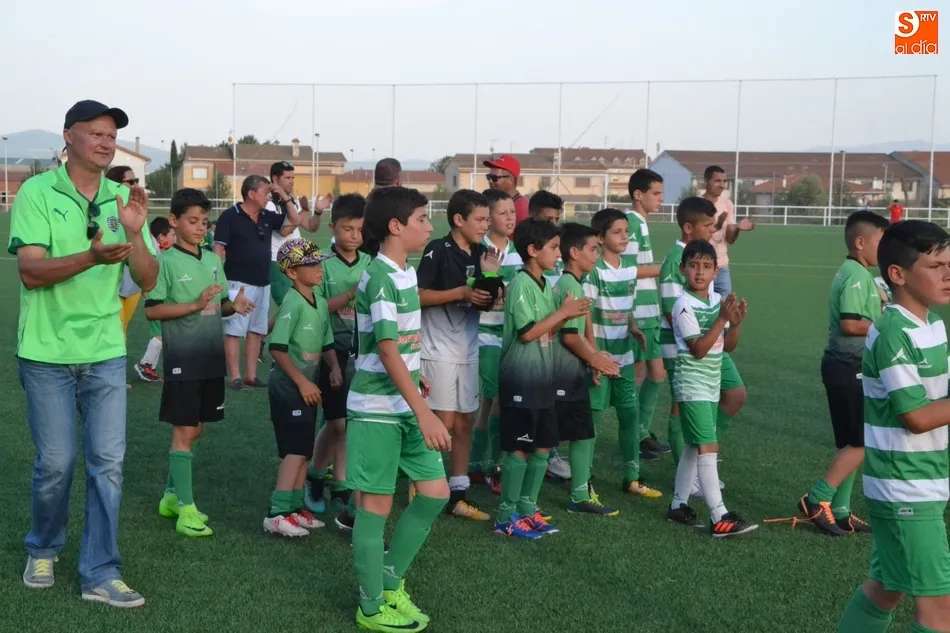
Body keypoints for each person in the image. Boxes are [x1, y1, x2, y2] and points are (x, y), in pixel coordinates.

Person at [12, 99, 157, 607]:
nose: (106, 142)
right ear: (68, 136)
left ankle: (100, 571)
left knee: (108, 464)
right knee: (56, 463)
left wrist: (135, 233)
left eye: (111, 135)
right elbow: (31, 272)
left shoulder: (122, 197)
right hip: (46, 352)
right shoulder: (37, 192)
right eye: (95, 132)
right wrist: (92, 257)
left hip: (104, 350)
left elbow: (147, 278)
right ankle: (43, 547)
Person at [835, 220, 950, 633]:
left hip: (922, 479)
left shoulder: (932, 324)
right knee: (940, 611)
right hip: (905, 487)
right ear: (898, 274)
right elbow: (916, 416)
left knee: (885, 589)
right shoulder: (891, 332)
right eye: (936, 266)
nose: (948, 274)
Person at [345, 186, 450, 632]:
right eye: (422, 219)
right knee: (376, 506)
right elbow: (386, 351)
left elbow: (400, 345)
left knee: (436, 493)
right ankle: (370, 607)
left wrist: (416, 373)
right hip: (376, 408)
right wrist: (424, 411)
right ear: (395, 226)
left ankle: (390, 579)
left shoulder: (405, 272)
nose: (429, 226)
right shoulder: (381, 276)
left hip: (404, 401)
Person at [146, 188, 254, 538]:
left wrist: (233, 306)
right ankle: (186, 511)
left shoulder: (211, 260)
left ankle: (170, 497)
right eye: (192, 221)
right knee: (184, 431)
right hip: (183, 359)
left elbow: (217, 306)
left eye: (204, 222)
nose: (199, 228)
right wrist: (194, 305)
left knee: (197, 429)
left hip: (210, 358)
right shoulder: (164, 262)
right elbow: (153, 310)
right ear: (174, 221)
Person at [492, 218, 589, 539]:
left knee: (544, 447)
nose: (559, 254)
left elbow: (547, 330)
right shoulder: (521, 284)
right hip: (521, 380)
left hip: (544, 379)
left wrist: (565, 315)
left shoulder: (546, 284)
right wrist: (563, 313)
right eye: (553, 248)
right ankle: (505, 517)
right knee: (520, 449)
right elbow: (527, 333)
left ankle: (527, 508)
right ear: (533, 250)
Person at [799, 210, 889, 537]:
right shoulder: (856, 276)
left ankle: (840, 511)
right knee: (862, 441)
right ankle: (817, 498)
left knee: (850, 444)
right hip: (848, 366)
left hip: (845, 366)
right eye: (881, 242)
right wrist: (886, 323)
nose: (885, 249)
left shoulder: (857, 273)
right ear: (860, 242)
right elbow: (850, 324)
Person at [417, 189, 500, 521]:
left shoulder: (483, 252)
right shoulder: (438, 250)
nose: (485, 225)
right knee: (443, 424)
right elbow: (418, 295)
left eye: (487, 219)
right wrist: (461, 292)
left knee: (465, 421)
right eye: (479, 219)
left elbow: (488, 300)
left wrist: (491, 279)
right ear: (458, 220)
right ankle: (425, 486)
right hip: (437, 348)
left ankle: (459, 493)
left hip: (468, 348)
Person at [666, 239, 757, 537]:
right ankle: (719, 515)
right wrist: (721, 319)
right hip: (691, 384)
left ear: (716, 271)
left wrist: (736, 324)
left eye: (706, 266)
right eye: (693, 266)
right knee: (707, 445)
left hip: (710, 382)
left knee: (695, 446)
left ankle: (678, 505)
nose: (700, 272)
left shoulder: (717, 300)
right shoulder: (683, 305)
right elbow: (698, 349)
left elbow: (727, 346)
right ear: (683, 269)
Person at [660, 197, 747, 482]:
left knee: (735, 394)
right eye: (708, 225)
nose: (712, 230)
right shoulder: (676, 260)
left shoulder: (706, 261)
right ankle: (690, 472)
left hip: (711, 345)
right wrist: (702, 333)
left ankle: (702, 451)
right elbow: (672, 309)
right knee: (681, 407)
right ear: (689, 227)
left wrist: (728, 324)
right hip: (686, 347)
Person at [304, 194, 371, 526]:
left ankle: (341, 484)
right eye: (348, 229)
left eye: (360, 230)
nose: (355, 236)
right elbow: (317, 308)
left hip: (362, 352)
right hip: (330, 351)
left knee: (350, 422)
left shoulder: (370, 262)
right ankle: (315, 476)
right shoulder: (323, 263)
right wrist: (349, 294)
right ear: (332, 228)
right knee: (336, 422)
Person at [587, 208, 662, 500]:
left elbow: (626, 305)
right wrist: (593, 355)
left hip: (625, 359)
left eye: (626, 232)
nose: (624, 237)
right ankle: (584, 479)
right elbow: (586, 314)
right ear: (600, 238)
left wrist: (633, 327)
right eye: (617, 232)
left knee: (630, 416)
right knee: (592, 422)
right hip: (600, 360)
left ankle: (632, 477)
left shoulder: (629, 268)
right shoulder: (594, 270)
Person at [265, 238, 339, 537]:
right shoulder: (292, 303)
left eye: (319, 262)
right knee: (294, 452)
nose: (319, 268)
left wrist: (334, 367)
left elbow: (326, 341)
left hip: (307, 387)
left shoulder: (318, 299)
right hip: (289, 388)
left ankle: (294, 509)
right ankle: (277, 513)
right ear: (292, 273)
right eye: (311, 264)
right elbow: (277, 348)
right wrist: (303, 382)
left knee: (305, 452)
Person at [555, 222, 621, 515]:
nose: (597, 255)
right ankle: (579, 496)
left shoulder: (572, 283)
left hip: (569, 369)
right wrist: (594, 359)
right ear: (574, 252)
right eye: (593, 249)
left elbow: (579, 332)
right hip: (564, 371)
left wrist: (593, 355)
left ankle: (579, 492)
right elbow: (570, 336)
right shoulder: (570, 286)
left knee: (579, 432)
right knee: (580, 433)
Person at [214, 175, 290, 390]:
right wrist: (218, 279)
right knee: (234, 331)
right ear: (251, 193)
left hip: (263, 282)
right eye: (266, 192)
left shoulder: (266, 215)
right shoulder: (230, 216)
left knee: (256, 330)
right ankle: (235, 377)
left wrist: (284, 197)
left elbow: (292, 222)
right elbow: (218, 249)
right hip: (238, 282)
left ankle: (251, 376)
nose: (269, 197)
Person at [471, 189, 519, 494]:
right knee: (496, 400)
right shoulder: (479, 251)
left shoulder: (519, 253)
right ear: (488, 218)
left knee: (491, 403)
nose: (510, 218)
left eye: (512, 212)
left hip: (511, 339)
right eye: (503, 213)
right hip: (486, 337)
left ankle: (478, 464)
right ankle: (491, 466)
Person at [625, 169, 671, 461]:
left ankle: (640, 433)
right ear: (638, 195)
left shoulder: (639, 223)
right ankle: (634, 436)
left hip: (648, 309)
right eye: (656, 193)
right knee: (642, 374)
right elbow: (626, 269)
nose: (661, 199)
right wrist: (661, 268)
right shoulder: (631, 223)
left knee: (655, 372)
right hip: (638, 311)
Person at [134, 217, 176, 382]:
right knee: (160, 334)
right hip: (155, 300)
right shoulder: (155, 254)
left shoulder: (160, 252)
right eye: (172, 235)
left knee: (161, 334)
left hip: (158, 298)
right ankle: (145, 364)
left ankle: (149, 367)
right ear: (161, 237)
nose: (175, 238)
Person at [703, 165, 755, 296]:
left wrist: (737, 228)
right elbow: (694, 237)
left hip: (721, 266)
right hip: (701, 265)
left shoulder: (727, 204)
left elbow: (730, 239)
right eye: (717, 181)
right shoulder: (696, 204)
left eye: (724, 181)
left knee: (726, 305)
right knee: (701, 305)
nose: (722, 185)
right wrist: (717, 225)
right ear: (706, 181)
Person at [108, 166, 142, 340]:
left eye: (136, 181)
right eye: (131, 182)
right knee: (114, 331)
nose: (135, 186)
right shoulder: (104, 210)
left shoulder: (137, 212)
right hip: (111, 286)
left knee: (123, 331)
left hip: (132, 286)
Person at [484, 154, 529, 227]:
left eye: (494, 178)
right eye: (488, 177)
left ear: (510, 180)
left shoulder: (522, 209)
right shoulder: (497, 203)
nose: (490, 181)